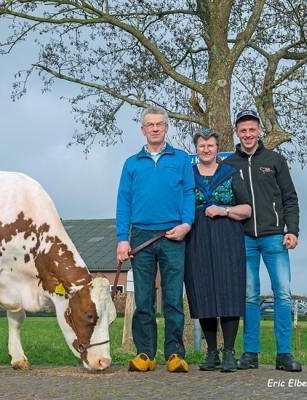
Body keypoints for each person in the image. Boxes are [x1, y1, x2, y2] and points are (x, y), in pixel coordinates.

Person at [116, 105, 195, 373]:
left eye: (160, 123)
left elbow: (188, 194)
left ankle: (174, 354)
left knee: (173, 297)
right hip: (140, 236)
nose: (155, 128)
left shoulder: (181, 159)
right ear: (143, 129)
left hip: (173, 234)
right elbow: (123, 202)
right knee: (144, 299)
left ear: (166, 127)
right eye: (150, 124)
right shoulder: (131, 163)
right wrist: (122, 239)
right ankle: (145, 354)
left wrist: (186, 224)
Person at [224, 110, 302, 372]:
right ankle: (250, 354)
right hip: (243, 239)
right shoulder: (229, 164)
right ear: (237, 132)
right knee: (249, 297)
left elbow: (290, 197)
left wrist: (293, 230)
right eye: (243, 130)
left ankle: (284, 355)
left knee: (282, 294)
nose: (247, 134)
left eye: (252, 129)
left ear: (259, 131)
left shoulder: (275, 160)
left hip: (274, 238)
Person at [184, 129, 251, 373]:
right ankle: (211, 353)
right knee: (204, 291)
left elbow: (246, 209)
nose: (206, 149)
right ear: (196, 149)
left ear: (216, 147)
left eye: (210, 145)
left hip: (227, 237)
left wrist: (223, 210)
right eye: (201, 145)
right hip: (197, 238)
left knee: (229, 291)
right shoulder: (188, 176)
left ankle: (229, 353)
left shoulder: (230, 173)